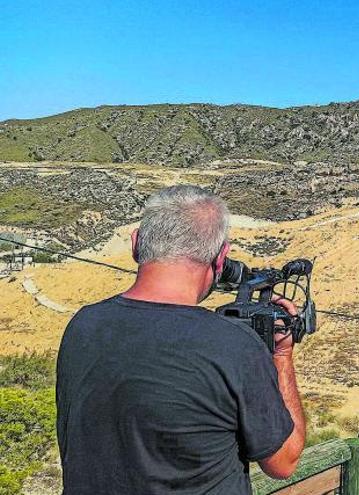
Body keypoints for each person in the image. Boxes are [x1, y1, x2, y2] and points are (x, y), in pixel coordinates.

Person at [56, 185, 305, 494]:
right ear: (220, 258)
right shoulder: (232, 345)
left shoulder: (82, 326)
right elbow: (284, 461)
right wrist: (281, 355)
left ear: (136, 244)